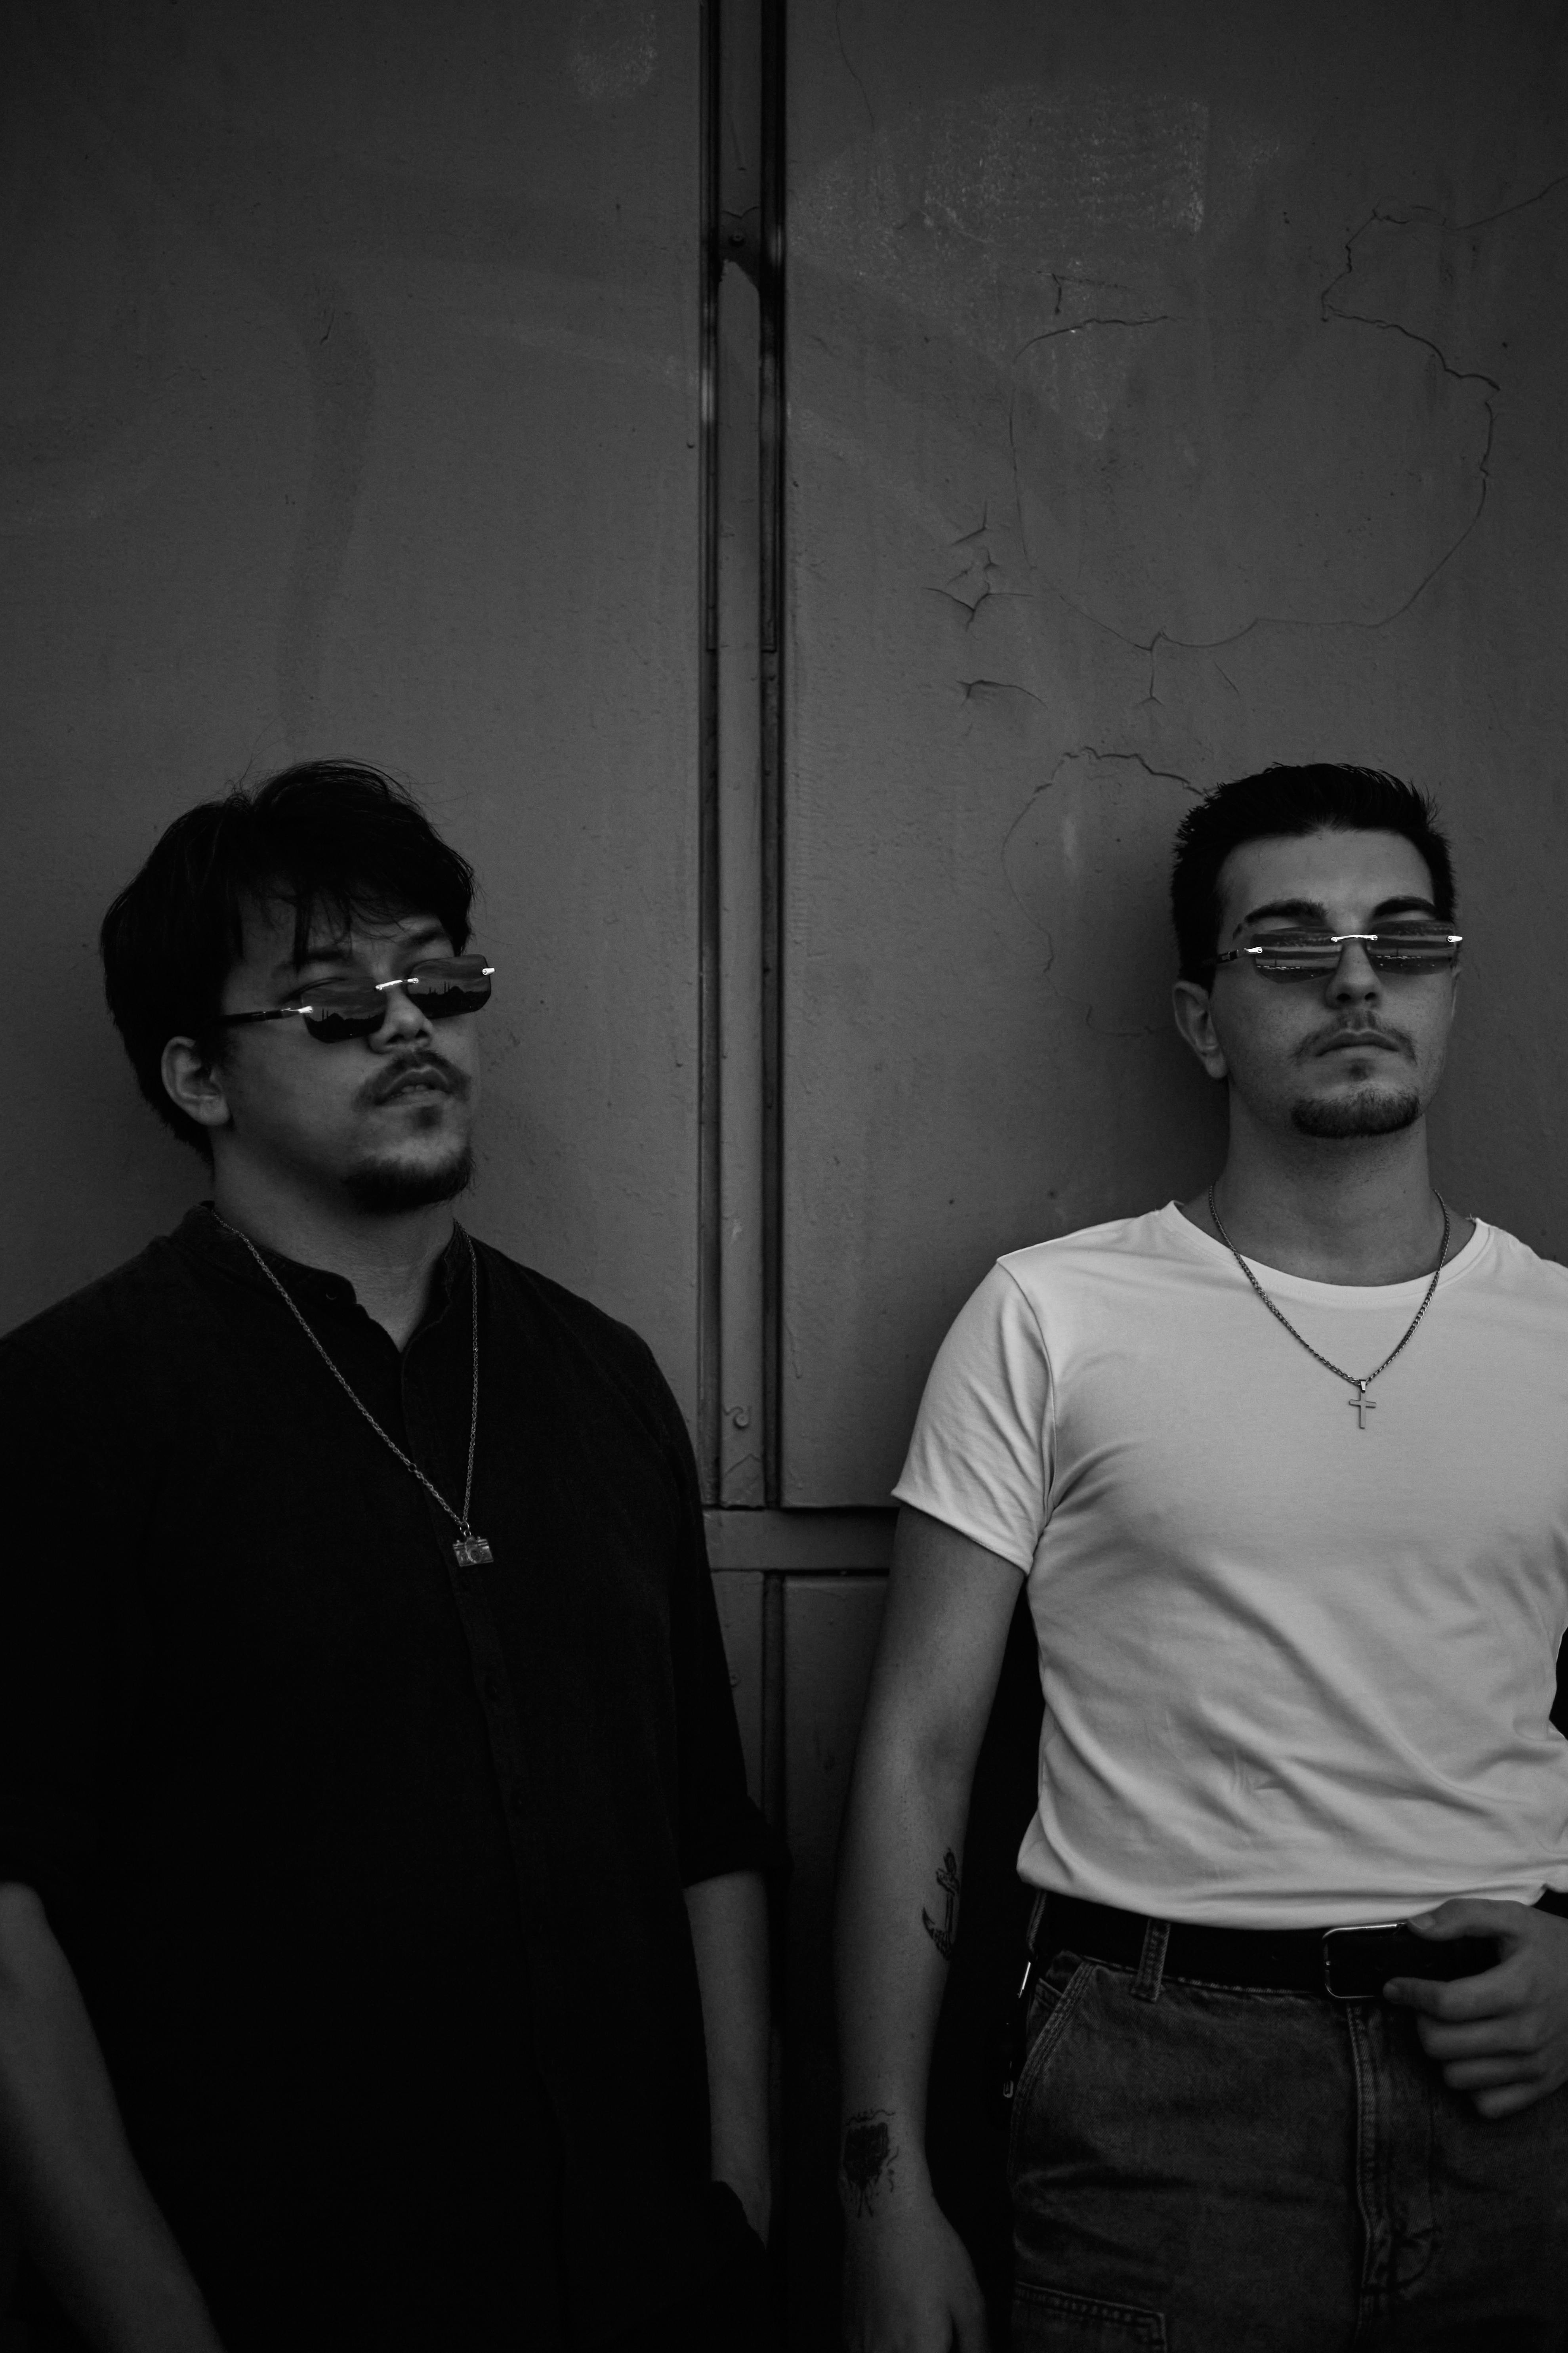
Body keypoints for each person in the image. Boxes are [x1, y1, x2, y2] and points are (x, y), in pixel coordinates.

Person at [0, 761, 776, 2353]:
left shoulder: (602, 1381)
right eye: (337, 1005)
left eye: (443, 981)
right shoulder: (72, 1407)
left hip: (647, 2293)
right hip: (285, 2292)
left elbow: (704, 1834)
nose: (415, 1026)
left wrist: (741, 2213)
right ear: (198, 1077)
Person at [836, 764, 1568, 2351]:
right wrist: (884, 2194)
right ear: (1199, 1019)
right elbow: (918, 1754)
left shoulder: (1564, 1337)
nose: (1358, 978)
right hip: (1162, 2108)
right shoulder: (1051, 1316)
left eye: (1403, 936)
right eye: (1291, 946)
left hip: (1517, 2104)